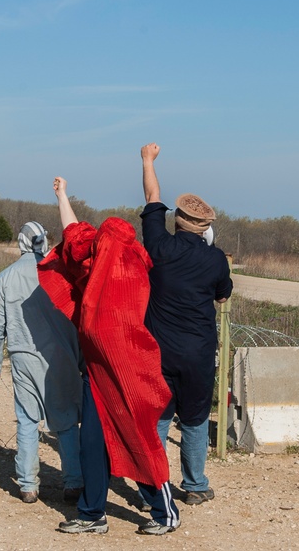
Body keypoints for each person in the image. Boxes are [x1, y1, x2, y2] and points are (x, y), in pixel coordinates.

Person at [40, 177, 180, 535]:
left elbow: (75, 241)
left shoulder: (130, 267)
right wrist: (62, 196)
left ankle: (165, 511)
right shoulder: (97, 262)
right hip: (97, 369)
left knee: (137, 435)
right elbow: (74, 237)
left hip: (127, 368)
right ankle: (92, 514)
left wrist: (62, 197)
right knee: (93, 442)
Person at [141, 142, 233, 506]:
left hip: (159, 350)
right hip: (198, 353)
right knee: (194, 419)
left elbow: (152, 195)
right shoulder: (215, 261)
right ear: (206, 227)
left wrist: (148, 160)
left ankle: (154, 487)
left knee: (159, 420)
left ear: (175, 219)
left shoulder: (159, 246)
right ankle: (195, 487)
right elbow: (223, 296)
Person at [0, 221, 84, 505]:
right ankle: (74, 482)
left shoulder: (6, 277)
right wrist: (81, 359)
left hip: (22, 356)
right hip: (61, 357)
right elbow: (76, 319)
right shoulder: (61, 273)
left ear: (21, 242)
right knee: (65, 422)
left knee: (27, 420)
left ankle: (28, 485)